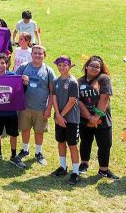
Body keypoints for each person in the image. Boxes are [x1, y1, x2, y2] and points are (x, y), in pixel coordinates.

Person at [78, 56, 119, 179]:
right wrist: (89, 117)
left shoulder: (103, 79)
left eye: (97, 67)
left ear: (101, 69)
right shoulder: (79, 81)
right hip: (85, 118)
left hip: (103, 119)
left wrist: (97, 116)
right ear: (86, 66)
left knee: (105, 144)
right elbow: (78, 101)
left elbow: (104, 97)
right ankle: (84, 164)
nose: (94, 68)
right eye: (92, 65)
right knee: (85, 141)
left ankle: (104, 170)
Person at [14, 45, 55, 168]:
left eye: (40, 53)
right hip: (24, 106)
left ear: (44, 55)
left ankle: (38, 152)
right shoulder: (24, 67)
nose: (37, 55)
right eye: (35, 53)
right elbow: (14, 82)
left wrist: (49, 108)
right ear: (31, 54)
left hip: (41, 108)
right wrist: (21, 80)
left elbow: (53, 92)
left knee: (39, 131)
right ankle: (25, 150)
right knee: (25, 129)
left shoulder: (48, 70)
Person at [50, 56, 82, 185]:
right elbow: (54, 99)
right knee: (61, 142)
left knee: (72, 145)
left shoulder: (73, 81)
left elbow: (72, 101)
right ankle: (63, 167)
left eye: (64, 65)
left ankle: (75, 172)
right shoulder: (56, 81)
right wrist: (57, 115)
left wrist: (61, 116)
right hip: (59, 118)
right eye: (59, 65)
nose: (61, 68)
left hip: (71, 119)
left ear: (69, 66)